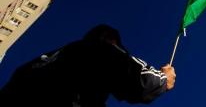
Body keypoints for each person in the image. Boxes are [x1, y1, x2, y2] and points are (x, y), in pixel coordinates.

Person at [0, 24, 176, 106]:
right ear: (109, 40)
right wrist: (163, 78)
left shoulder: (33, 66)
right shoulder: (100, 50)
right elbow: (139, 82)